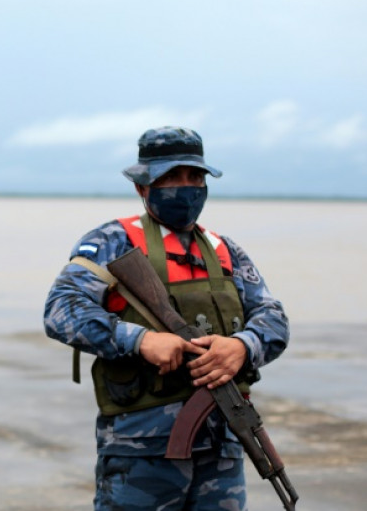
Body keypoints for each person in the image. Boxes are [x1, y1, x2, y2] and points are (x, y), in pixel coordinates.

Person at [43, 126, 289, 511]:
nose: (186, 187)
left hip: (222, 443)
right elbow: (61, 309)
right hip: (140, 449)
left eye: (195, 177)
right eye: (171, 177)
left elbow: (273, 318)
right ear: (143, 187)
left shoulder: (225, 250)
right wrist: (139, 340)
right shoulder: (113, 241)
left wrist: (242, 346)